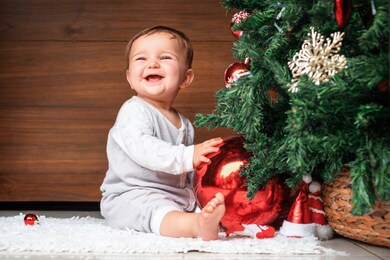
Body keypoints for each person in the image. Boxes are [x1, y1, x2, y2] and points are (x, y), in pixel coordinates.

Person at [100, 25, 225, 241]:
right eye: (141, 59)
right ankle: (196, 226)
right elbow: (144, 148)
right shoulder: (134, 110)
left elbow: (184, 172)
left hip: (175, 195)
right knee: (157, 212)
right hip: (131, 195)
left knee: (199, 205)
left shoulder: (184, 123)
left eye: (165, 57)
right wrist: (189, 155)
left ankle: (209, 219)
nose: (153, 63)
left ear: (186, 78)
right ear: (129, 78)